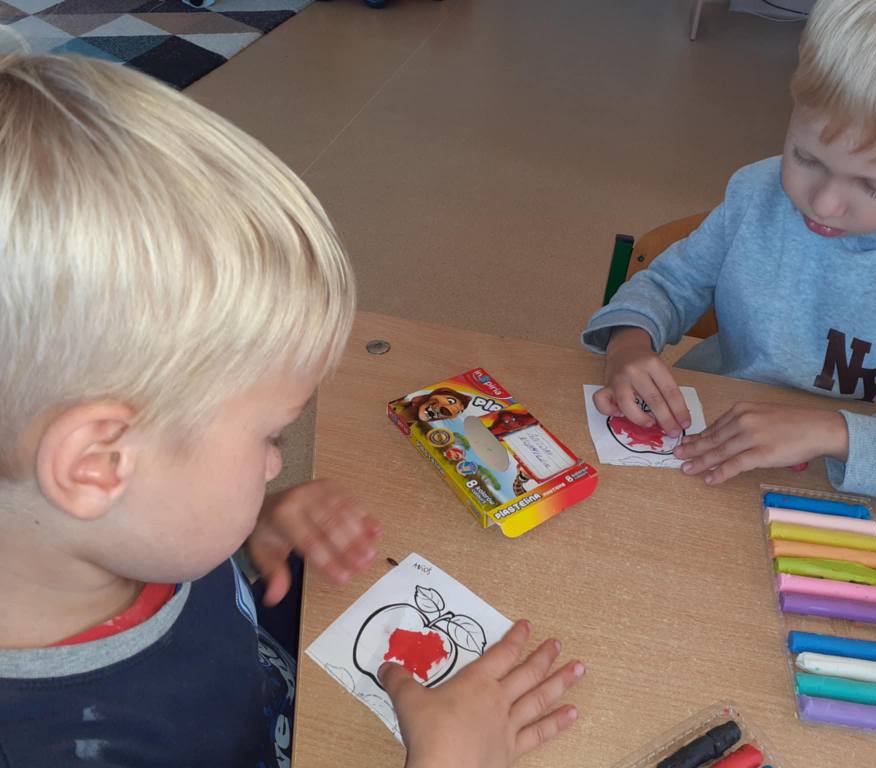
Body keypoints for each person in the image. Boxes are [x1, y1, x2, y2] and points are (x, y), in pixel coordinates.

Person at [0, 52, 582, 767]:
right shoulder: (58, 746)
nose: (278, 463)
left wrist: (253, 538)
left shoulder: (124, 529)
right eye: (270, 435)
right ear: (98, 464)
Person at [582, 0, 876, 515]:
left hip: (868, 500)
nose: (823, 204)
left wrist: (838, 433)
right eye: (806, 156)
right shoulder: (758, 192)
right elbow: (668, 283)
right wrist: (630, 339)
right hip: (712, 454)